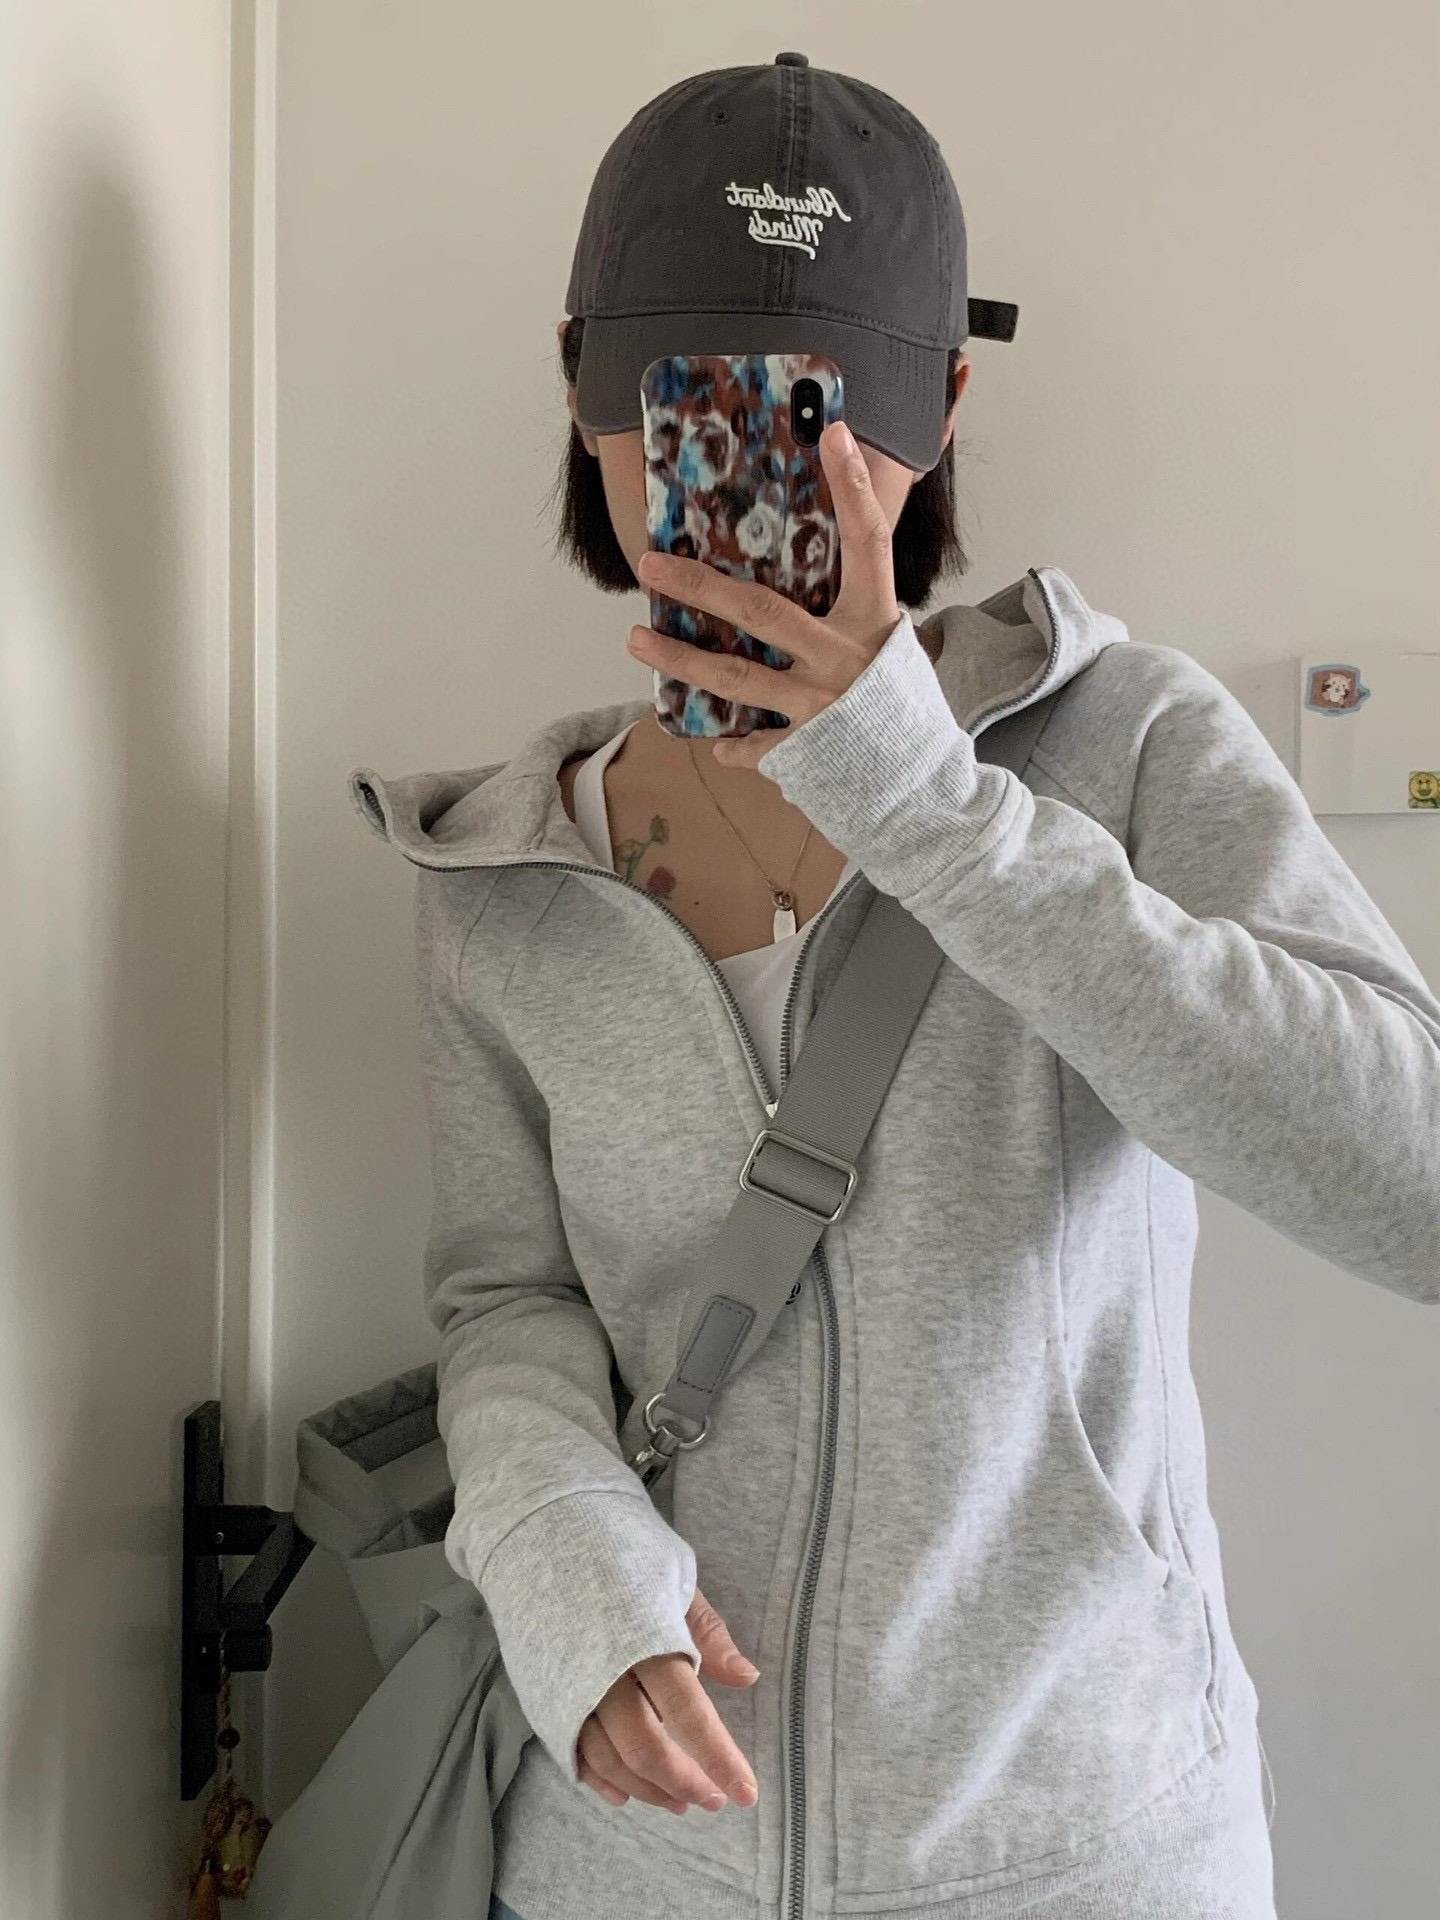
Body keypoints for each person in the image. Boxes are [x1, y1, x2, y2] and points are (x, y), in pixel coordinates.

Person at [349, 52, 1440, 1920]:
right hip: (632, 1866)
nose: (768, 457)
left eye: (827, 396)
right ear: (584, 390)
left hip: (1092, 1852)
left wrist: (924, 802)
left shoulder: (1126, 748)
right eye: (691, 391)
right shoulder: (506, 877)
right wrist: (557, 1559)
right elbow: (508, 1305)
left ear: (938, 407)